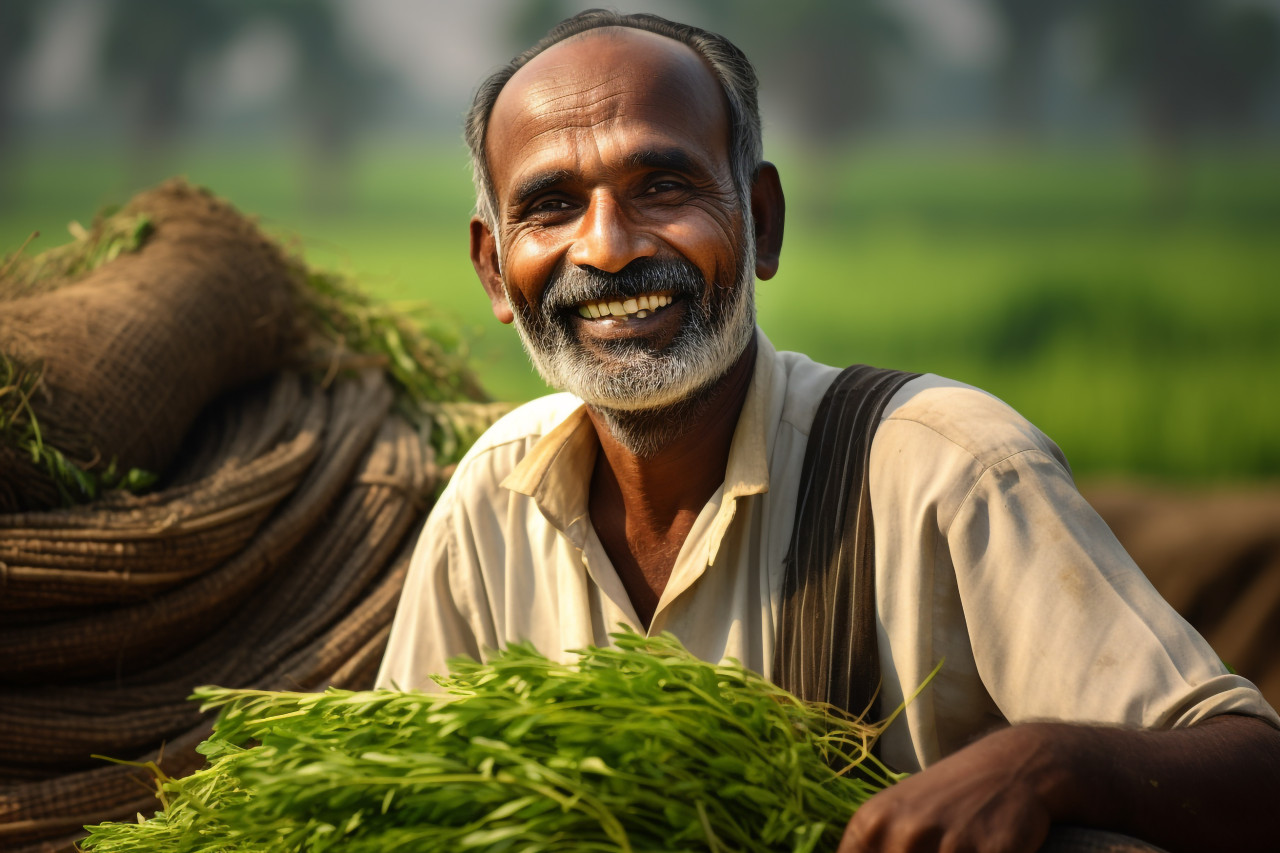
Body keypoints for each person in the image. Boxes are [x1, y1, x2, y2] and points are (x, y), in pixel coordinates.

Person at [377, 10, 1280, 852]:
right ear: (497, 272)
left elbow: (1254, 769)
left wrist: (1042, 764)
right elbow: (398, 801)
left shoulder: (946, 468)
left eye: (662, 185)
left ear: (761, 221)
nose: (607, 247)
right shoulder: (492, 501)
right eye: (552, 205)